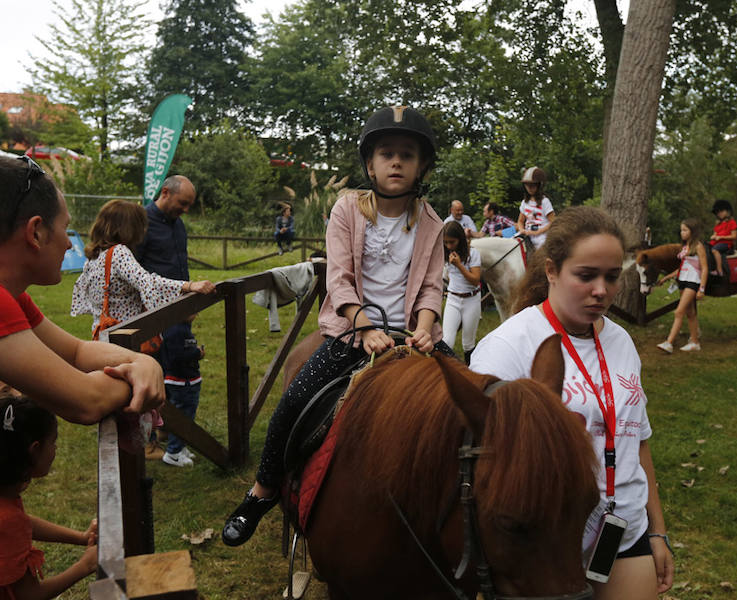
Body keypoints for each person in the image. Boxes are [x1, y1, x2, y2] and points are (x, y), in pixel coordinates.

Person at [222, 105, 456, 547]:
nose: (396, 162)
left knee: (467, 397)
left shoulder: (430, 221)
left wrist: (426, 327)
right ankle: (262, 491)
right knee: (292, 403)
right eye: (387, 153)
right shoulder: (347, 210)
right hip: (353, 334)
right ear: (370, 163)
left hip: (411, 336)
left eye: (408, 154)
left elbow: (429, 286)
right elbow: (341, 279)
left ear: (421, 165)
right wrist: (366, 329)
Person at [470, 206, 674, 600]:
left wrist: (656, 531)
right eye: (586, 276)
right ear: (551, 271)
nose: (602, 290)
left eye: (612, 277)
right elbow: (483, 469)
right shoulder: (507, 348)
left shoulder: (621, 342)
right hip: (545, 544)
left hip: (623, 530)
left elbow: (636, 441)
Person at [0, 155, 164, 423]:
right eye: (65, 227)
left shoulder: (8, 295)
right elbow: (87, 401)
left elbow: (76, 351)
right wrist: (139, 381)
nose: (68, 243)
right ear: (36, 232)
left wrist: (143, 363)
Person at [0, 395, 98, 598]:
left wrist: (81, 538)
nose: (55, 449)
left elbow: (21, 523)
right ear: (34, 450)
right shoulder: (4, 521)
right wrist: (85, 566)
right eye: (53, 442)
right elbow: (29, 596)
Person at [134, 175, 210, 460]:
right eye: (183, 203)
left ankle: (166, 427)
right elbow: (135, 271)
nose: (186, 210)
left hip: (178, 311)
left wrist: (189, 303)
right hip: (151, 314)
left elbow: (181, 265)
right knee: (149, 373)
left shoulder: (178, 226)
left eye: (189, 205)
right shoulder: (142, 223)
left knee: (174, 370)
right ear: (165, 192)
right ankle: (147, 441)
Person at [70, 199, 216, 335]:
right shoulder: (119, 253)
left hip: (102, 334)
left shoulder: (94, 258)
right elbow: (147, 282)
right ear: (130, 227)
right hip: (125, 337)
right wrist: (188, 286)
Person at [655, 218, 708, 353]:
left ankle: (669, 342)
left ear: (692, 231)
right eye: (681, 230)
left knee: (679, 312)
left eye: (685, 230)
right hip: (682, 281)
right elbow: (682, 267)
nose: (682, 233)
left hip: (693, 282)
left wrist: (701, 288)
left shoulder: (698, 247)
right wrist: (666, 278)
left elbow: (704, 268)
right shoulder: (685, 248)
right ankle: (695, 342)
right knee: (690, 313)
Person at [158, 318, 204, 467]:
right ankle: (173, 452)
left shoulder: (181, 327)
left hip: (185, 378)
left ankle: (180, 446)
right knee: (183, 414)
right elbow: (177, 357)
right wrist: (197, 353)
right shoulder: (177, 330)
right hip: (182, 380)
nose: (196, 313)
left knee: (187, 414)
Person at [442, 221, 482, 365]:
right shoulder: (445, 252)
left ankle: (470, 372)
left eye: (452, 242)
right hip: (453, 298)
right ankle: (446, 373)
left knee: (468, 343)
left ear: (460, 238)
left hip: (471, 300)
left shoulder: (473, 253)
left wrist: (459, 265)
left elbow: (475, 280)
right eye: (445, 242)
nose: (448, 246)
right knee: (447, 341)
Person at [516, 166, 555, 248]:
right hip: (527, 235)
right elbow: (520, 221)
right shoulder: (524, 202)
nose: (529, 188)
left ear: (539, 185)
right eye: (527, 185)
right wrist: (522, 230)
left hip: (542, 236)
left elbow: (553, 222)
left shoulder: (545, 202)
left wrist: (538, 232)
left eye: (532, 185)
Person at [708, 199, 737, 277]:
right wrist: (713, 236)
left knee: (714, 250)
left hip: (726, 244)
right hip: (716, 242)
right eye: (718, 212)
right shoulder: (718, 224)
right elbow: (714, 234)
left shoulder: (732, 223)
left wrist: (721, 237)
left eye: (721, 211)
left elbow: (734, 236)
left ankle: (719, 270)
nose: (719, 213)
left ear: (727, 211)